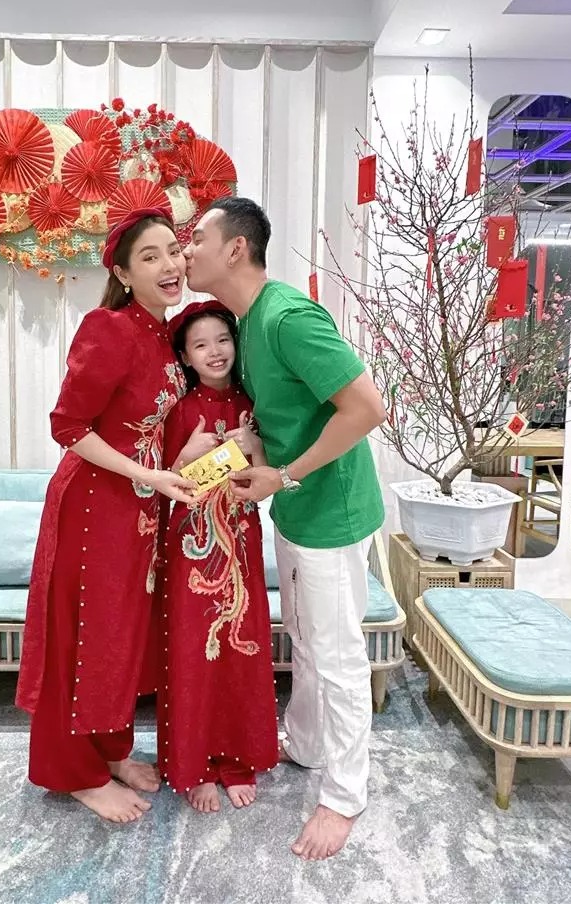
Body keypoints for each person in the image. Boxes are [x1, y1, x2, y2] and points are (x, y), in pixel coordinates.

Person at [184, 196, 387, 861]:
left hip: (330, 512)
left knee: (337, 655)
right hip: (297, 510)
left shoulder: (289, 317)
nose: (187, 251)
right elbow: (285, 418)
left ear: (234, 249)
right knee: (304, 638)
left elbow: (367, 408)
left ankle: (345, 796)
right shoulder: (248, 325)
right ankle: (306, 744)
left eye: (197, 239)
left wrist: (286, 475)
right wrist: (249, 450)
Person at [16, 184, 197, 825]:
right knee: (82, 635)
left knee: (120, 633)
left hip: (140, 510)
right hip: (92, 508)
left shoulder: (169, 335)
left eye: (173, 250)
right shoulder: (109, 328)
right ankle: (76, 774)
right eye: (149, 257)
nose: (169, 265)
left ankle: (112, 751)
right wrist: (145, 473)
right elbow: (67, 425)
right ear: (121, 274)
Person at [156, 301, 279, 813]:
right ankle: (197, 765)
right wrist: (188, 455)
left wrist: (254, 445)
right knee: (193, 653)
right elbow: (162, 486)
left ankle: (237, 760)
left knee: (241, 647)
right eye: (201, 344)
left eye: (222, 340)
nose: (214, 351)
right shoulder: (178, 410)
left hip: (241, 545)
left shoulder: (253, 405)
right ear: (185, 356)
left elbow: (265, 481)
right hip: (191, 550)